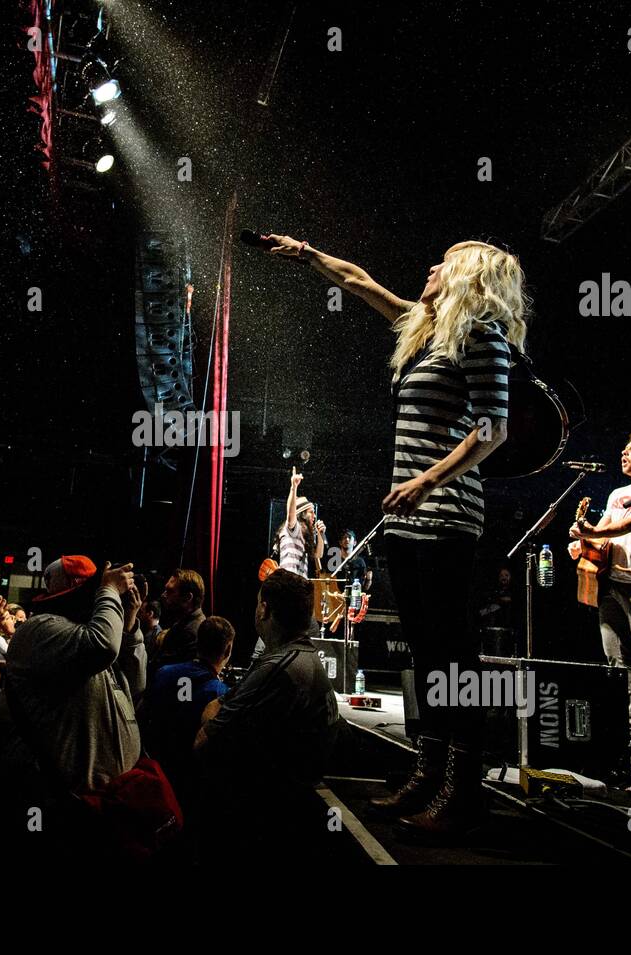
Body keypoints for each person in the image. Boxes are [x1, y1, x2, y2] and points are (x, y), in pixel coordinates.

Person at [266, 234, 524, 835]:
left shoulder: (481, 338)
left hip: (447, 516)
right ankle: (429, 774)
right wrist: (305, 253)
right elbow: (359, 282)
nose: (430, 266)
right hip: (409, 519)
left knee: (452, 656)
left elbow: (494, 430)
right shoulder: (426, 329)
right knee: (428, 652)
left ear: (469, 278)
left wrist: (427, 480)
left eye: (444, 263)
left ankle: (464, 788)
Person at [194, 570, 340, 857]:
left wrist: (214, 708)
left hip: (264, 824)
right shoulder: (301, 659)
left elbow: (203, 743)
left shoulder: (278, 670)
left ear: (264, 609)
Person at [4, 556, 145, 793]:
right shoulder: (38, 629)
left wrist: (129, 626)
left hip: (108, 795)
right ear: (78, 594)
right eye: (95, 590)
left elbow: (136, 685)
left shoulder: (87, 631)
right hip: (61, 797)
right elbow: (104, 646)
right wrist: (109, 590)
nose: (100, 598)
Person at [569, 432, 631, 748]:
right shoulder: (617, 494)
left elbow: (629, 525)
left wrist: (594, 530)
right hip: (611, 583)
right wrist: (583, 541)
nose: (624, 453)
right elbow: (605, 536)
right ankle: (629, 723)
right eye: (623, 449)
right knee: (616, 659)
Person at [139, 615, 234, 816]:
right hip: (191, 785)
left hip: (154, 774)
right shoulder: (220, 695)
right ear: (228, 649)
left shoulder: (164, 673)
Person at [147, 569, 205, 680]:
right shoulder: (184, 623)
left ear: (188, 597)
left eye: (170, 591)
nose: (164, 595)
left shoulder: (193, 631)